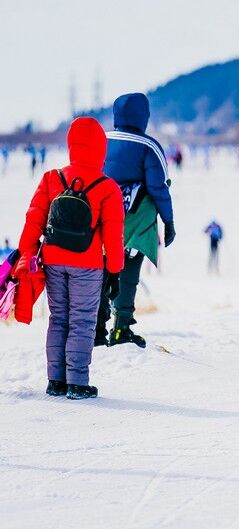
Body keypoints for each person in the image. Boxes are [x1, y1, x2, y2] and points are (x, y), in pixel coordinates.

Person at [15, 117, 124, 399]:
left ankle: (56, 381)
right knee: (82, 321)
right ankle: (77, 383)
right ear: (101, 148)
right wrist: (114, 271)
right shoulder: (107, 186)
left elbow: (34, 218)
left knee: (58, 318)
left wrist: (26, 252)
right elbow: (113, 236)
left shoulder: (52, 178)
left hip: (52, 260)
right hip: (87, 265)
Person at [96, 93, 176, 349]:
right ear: (144, 116)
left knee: (101, 271)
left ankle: (96, 328)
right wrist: (169, 220)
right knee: (128, 272)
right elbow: (158, 187)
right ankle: (121, 329)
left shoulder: (102, 140)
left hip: (99, 219)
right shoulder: (148, 146)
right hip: (134, 223)